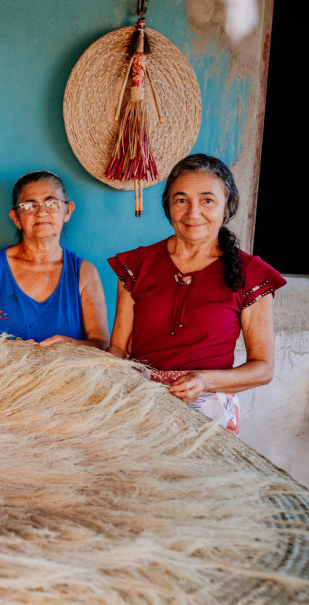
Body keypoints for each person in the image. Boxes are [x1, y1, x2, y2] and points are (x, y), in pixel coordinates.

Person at [107, 154, 286, 433]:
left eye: (207, 200)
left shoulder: (251, 274)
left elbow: (263, 368)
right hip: (139, 407)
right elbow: (119, 349)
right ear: (168, 206)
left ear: (227, 207)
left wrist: (203, 381)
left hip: (209, 413)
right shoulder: (136, 266)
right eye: (181, 200)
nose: (193, 213)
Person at [0, 171, 108, 348]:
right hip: (0, 375)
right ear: (16, 218)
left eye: (52, 203)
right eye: (29, 205)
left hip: (64, 375)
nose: (41, 212)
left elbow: (101, 344)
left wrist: (70, 345)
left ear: (68, 211)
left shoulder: (82, 272)